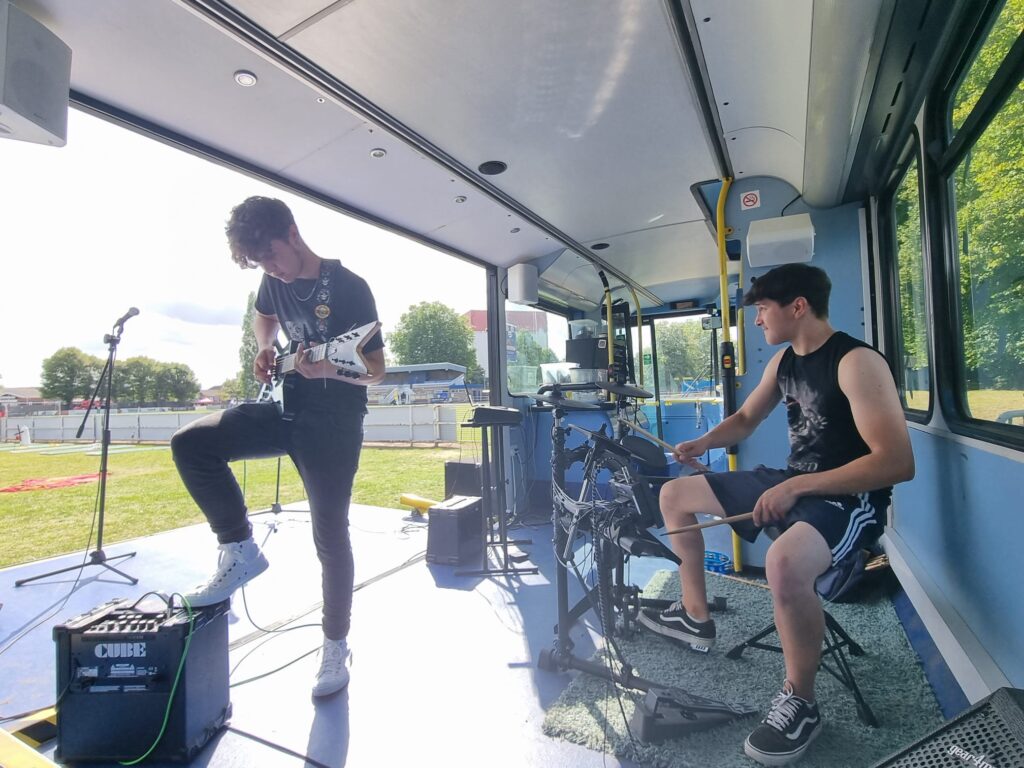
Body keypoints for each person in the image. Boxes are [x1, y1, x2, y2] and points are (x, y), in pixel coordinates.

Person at [637, 263, 914, 765]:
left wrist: (798, 486)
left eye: (763, 310)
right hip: (795, 479)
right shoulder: (783, 362)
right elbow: (745, 419)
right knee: (675, 497)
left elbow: (896, 462)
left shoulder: (855, 362)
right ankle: (695, 616)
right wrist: (702, 442)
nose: (758, 321)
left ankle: (801, 702)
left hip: (849, 499)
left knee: (784, 564)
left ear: (798, 307)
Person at [170, 196, 385, 698]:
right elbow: (264, 315)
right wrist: (264, 347)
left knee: (330, 534)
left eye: (271, 256)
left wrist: (330, 368)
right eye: (259, 264)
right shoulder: (272, 280)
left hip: (334, 422)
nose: (270, 270)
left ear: (293, 233)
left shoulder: (350, 287)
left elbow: (376, 371)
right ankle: (239, 549)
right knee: (191, 444)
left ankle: (335, 645)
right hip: (284, 407)